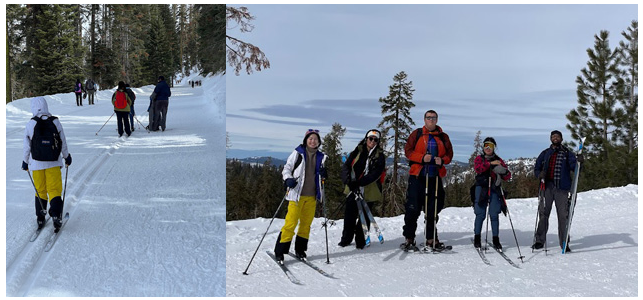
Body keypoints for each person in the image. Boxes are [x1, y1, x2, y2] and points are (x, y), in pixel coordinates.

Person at [401, 110, 453, 251]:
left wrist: (441, 160)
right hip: (418, 176)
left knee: (433, 209)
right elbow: (408, 151)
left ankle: (431, 238)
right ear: (424, 120)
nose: (431, 120)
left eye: (433, 118)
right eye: (428, 117)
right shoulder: (417, 134)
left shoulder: (443, 137)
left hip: (434, 177)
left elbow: (449, 155)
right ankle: (409, 237)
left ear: (437, 120)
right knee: (413, 208)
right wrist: (422, 158)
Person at [274, 129, 327, 263]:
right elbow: (287, 168)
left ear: (319, 142)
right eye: (310, 138)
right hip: (296, 195)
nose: (312, 141)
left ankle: (300, 250)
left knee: (306, 224)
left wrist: (324, 174)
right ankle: (279, 252)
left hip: (312, 196)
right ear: (305, 140)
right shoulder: (298, 153)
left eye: (315, 139)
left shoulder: (322, 157)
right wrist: (288, 179)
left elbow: (321, 177)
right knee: (290, 223)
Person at [22, 96, 72, 231]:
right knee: (54, 189)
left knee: (40, 190)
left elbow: (27, 146)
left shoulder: (31, 123)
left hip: (36, 163)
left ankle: (40, 217)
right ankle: (56, 215)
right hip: (53, 162)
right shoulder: (55, 122)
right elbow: (62, 141)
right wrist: (66, 157)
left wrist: (25, 162)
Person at [533, 130, 583, 252]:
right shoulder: (545, 153)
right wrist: (540, 174)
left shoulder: (567, 153)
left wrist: (580, 162)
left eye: (557, 136)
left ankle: (564, 242)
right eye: (553, 136)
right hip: (547, 188)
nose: (555, 138)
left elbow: (575, 168)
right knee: (544, 214)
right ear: (551, 139)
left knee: (563, 216)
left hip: (562, 189)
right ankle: (539, 240)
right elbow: (536, 168)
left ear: (561, 139)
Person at [338, 129, 386, 249]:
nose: (372, 141)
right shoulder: (357, 151)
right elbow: (347, 167)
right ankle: (346, 239)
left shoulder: (380, 156)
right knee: (350, 215)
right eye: (370, 138)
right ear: (366, 139)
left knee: (365, 215)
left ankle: (361, 240)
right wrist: (348, 181)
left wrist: (360, 182)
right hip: (352, 188)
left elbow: (376, 173)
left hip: (369, 190)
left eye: (375, 140)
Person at [472, 137, 512, 249]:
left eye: (490, 146)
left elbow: (507, 176)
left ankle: (496, 239)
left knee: (494, 214)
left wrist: (503, 172)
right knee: (480, 213)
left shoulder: (499, 160)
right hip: (481, 187)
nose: (488, 148)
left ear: (494, 147)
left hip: (494, 188)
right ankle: (477, 238)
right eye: (486, 146)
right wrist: (490, 164)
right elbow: (478, 169)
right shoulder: (480, 158)